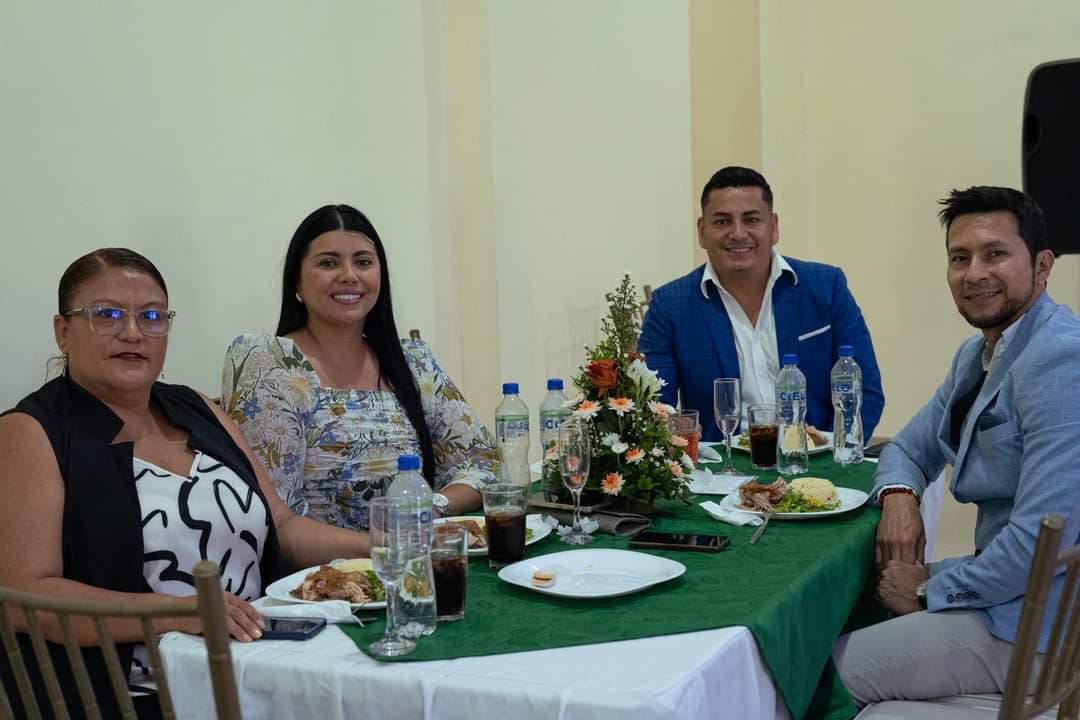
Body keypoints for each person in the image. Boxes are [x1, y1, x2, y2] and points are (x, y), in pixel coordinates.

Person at [0, 248, 371, 718]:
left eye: (152, 316)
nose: (132, 332)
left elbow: (284, 525)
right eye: (107, 315)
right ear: (63, 331)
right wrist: (180, 612)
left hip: (262, 667)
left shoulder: (195, 408)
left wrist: (381, 546)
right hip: (136, 694)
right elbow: (26, 597)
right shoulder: (30, 432)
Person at [834, 186, 1080, 704]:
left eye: (995, 254)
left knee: (811, 674)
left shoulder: (1060, 359)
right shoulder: (979, 353)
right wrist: (899, 496)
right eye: (960, 258)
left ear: (1042, 266)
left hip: (1037, 628)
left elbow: (1038, 546)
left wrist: (930, 590)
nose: (974, 274)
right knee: (839, 617)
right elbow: (906, 448)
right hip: (1006, 594)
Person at [222, 204, 498, 530]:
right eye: (329, 263)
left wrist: (429, 508)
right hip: (324, 562)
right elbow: (275, 517)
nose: (349, 275)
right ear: (296, 280)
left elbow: (486, 463)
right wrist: (385, 544)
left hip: (413, 555)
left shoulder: (413, 362)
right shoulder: (270, 363)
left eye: (363, 262)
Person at [638, 166, 884, 441]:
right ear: (702, 231)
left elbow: (866, 392)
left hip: (817, 457)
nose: (738, 233)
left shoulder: (827, 287)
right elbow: (655, 408)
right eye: (722, 221)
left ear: (774, 227)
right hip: (721, 464)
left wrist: (834, 450)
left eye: (751, 219)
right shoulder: (670, 306)